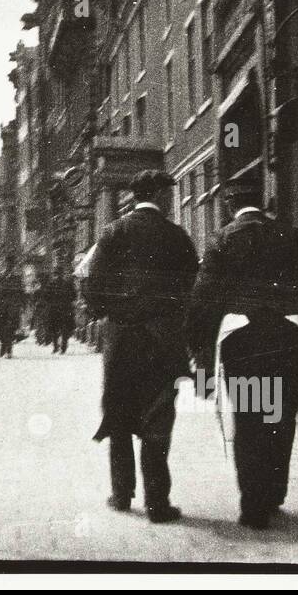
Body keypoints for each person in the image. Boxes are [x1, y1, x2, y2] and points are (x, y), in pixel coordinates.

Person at [187, 179, 298, 530]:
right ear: (264, 203)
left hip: (241, 340)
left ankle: (252, 505)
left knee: (248, 416)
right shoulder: (288, 235)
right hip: (286, 337)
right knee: (279, 416)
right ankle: (273, 492)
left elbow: (202, 298)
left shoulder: (222, 238)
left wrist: (199, 352)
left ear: (230, 206)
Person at [86, 170, 198, 523]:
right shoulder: (177, 236)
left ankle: (121, 495)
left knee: (119, 414)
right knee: (157, 418)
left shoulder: (113, 233)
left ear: (135, 197)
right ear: (161, 197)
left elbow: (92, 287)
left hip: (121, 341)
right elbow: (192, 288)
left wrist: (110, 313)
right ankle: (157, 503)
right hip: (163, 341)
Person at [0, 255, 27, 358]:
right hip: (1, 307)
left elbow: (21, 292)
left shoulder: (17, 278)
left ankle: (8, 350)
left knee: (10, 329)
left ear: (13, 266)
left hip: (13, 308)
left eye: (12, 265)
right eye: (8, 265)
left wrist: (23, 305)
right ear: (5, 264)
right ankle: (3, 345)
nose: (10, 267)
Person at [43, 263, 77, 354]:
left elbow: (46, 296)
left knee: (54, 329)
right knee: (65, 329)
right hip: (65, 309)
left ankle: (55, 347)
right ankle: (63, 347)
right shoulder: (68, 283)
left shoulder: (51, 284)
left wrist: (51, 302)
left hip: (54, 309)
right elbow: (74, 295)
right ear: (62, 274)